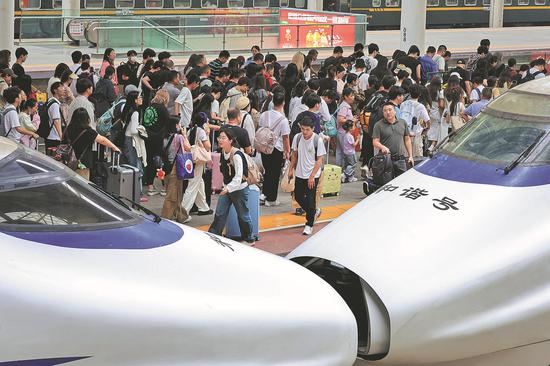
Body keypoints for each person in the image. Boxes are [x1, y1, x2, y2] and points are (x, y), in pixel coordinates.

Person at [208, 128, 255, 244]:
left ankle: (249, 238)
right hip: (227, 188)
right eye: (219, 137)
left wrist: (228, 188)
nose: (220, 140)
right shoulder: (222, 151)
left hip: (239, 190)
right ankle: (213, 235)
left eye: (223, 138)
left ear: (231, 140)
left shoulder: (237, 155)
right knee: (220, 212)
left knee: (243, 215)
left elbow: (239, 177)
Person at [288, 116, 325, 236]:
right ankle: (314, 212)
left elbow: (319, 159)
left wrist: (312, 176)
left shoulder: (317, 140)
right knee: (298, 196)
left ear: (313, 129)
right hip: (299, 173)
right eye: (303, 129)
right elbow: (294, 155)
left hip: (312, 174)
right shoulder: (297, 138)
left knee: (310, 199)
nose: (304, 132)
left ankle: (309, 224)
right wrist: (290, 170)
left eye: (307, 129)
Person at [63, 107, 120, 180]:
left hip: (67, 161)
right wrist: (114, 147)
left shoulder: (67, 128)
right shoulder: (88, 131)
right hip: (82, 163)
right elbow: (102, 140)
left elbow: (63, 139)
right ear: (87, 118)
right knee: (82, 185)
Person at [259, 92, 291, 206]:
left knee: (267, 171)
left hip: (264, 146)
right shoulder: (283, 120)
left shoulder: (264, 115)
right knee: (274, 173)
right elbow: (286, 137)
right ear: (283, 103)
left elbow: (261, 127)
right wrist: (287, 151)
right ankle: (271, 199)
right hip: (276, 148)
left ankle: (264, 195)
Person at [181, 113, 213, 220]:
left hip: (191, 159)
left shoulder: (191, 130)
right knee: (193, 185)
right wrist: (208, 133)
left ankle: (203, 207)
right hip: (199, 160)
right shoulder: (202, 132)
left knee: (199, 183)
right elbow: (208, 147)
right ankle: (183, 212)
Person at [160, 118, 191, 223]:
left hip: (166, 167)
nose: (180, 126)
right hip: (176, 167)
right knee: (172, 195)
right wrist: (185, 135)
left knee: (176, 192)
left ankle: (181, 215)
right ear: (175, 125)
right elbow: (187, 148)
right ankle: (165, 218)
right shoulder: (178, 137)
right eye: (178, 124)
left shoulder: (164, 136)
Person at [372, 102, 414, 178]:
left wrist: (410, 156)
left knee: (402, 181)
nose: (387, 112)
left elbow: (407, 139)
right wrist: (382, 147)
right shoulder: (378, 125)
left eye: (390, 110)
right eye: (385, 110)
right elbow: (375, 142)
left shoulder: (402, 123)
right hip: (386, 160)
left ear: (395, 111)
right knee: (387, 183)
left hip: (400, 159)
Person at [400, 84, 431, 158]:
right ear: (420, 94)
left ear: (410, 93)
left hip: (404, 134)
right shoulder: (421, 106)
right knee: (417, 158)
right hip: (416, 135)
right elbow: (428, 120)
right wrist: (427, 128)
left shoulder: (403, 104)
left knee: (406, 157)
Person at [336, 88, 355, 166]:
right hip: (343, 132)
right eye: (351, 95)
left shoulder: (345, 105)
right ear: (346, 97)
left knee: (340, 152)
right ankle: (343, 171)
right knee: (344, 153)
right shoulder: (344, 107)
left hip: (341, 132)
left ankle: (339, 170)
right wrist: (351, 119)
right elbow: (340, 119)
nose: (353, 97)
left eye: (353, 95)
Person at [45, 82, 66, 151]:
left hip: (50, 136)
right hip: (54, 137)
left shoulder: (50, 101)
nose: (64, 89)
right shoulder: (55, 105)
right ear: (55, 90)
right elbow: (56, 120)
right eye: (61, 87)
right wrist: (61, 135)